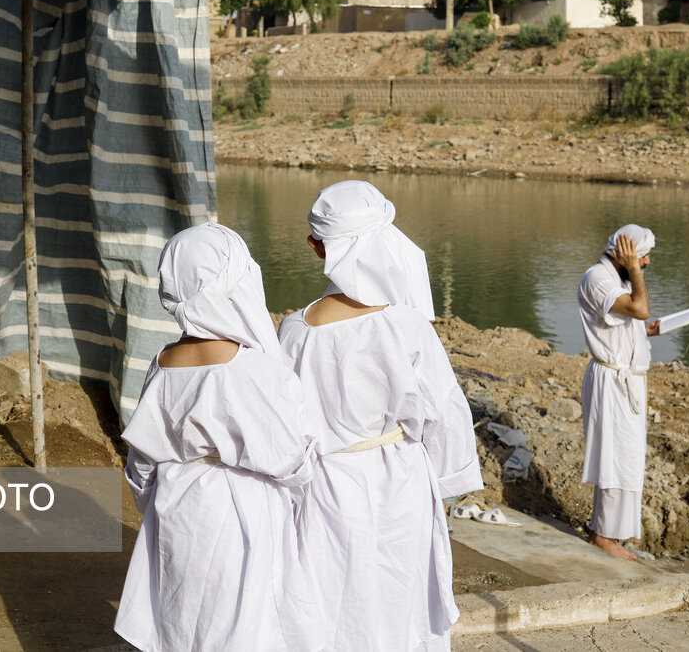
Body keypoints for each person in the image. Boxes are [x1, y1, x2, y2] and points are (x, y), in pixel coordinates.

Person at [277, 180, 483, 651]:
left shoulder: (293, 329)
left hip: (323, 486)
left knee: (333, 603)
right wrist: (447, 488)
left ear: (317, 248)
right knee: (400, 600)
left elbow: (285, 423)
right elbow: (445, 411)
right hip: (399, 481)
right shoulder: (404, 323)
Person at [114, 222, 324, 652]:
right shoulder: (255, 369)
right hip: (240, 508)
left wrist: (155, 501)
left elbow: (142, 462)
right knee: (240, 623)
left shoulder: (163, 363)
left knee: (182, 614)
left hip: (178, 504)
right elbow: (289, 458)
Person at [577, 225, 660, 561]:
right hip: (610, 382)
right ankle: (603, 535)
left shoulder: (618, 280)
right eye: (642, 256)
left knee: (627, 457)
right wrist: (635, 270)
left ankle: (612, 533)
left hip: (625, 382)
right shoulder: (597, 278)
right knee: (613, 456)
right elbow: (640, 308)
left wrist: (644, 330)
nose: (647, 262)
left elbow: (635, 317)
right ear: (622, 254)